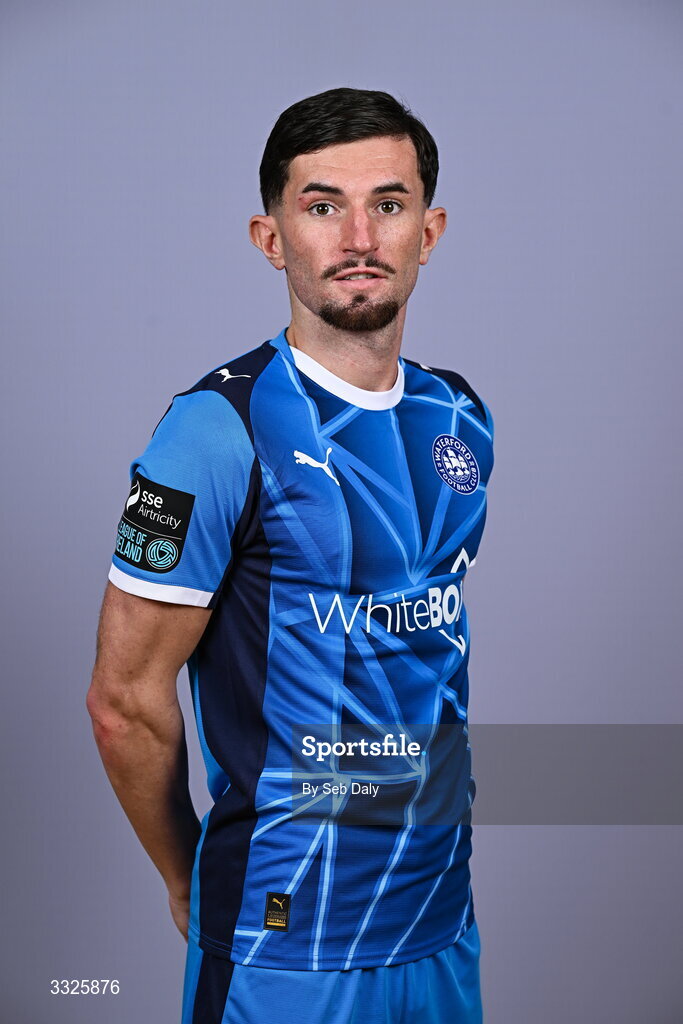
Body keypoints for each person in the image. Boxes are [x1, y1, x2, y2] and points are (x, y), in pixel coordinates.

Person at [87, 86, 494, 1024]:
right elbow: (122, 704)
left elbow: (420, 662)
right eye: (321, 206)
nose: (358, 235)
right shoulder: (213, 432)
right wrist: (192, 881)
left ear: (427, 231)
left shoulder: (459, 418)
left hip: (438, 918)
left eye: (387, 204)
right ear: (272, 237)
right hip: (288, 937)